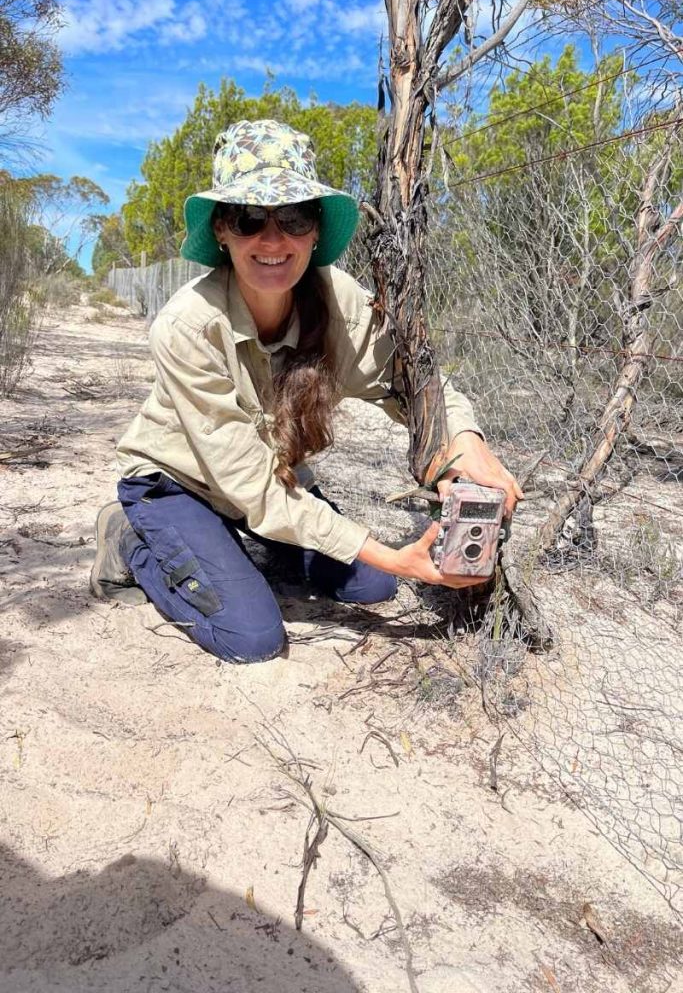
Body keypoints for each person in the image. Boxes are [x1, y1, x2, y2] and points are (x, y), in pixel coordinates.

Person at [90, 119, 522, 664]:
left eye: (293, 217)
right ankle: (128, 539)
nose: (273, 241)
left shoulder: (341, 302)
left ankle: (229, 548)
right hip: (178, 485)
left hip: (265, 485)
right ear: (222, 230)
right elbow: (251, 485)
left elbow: (414, 382)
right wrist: (399, 558)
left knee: (370, 587)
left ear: (316, 229)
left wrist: (462, 440)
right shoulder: (187, 326)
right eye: (249, 218)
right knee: (251, 638)